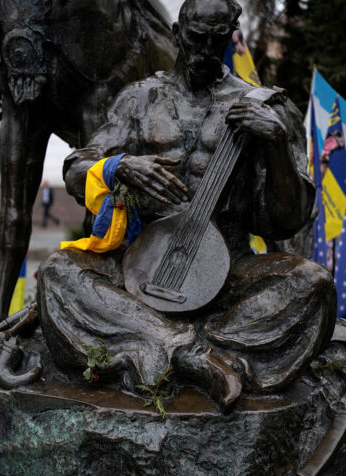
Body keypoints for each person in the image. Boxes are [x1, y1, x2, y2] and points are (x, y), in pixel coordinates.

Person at [39, 0, 334, 411]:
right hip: (139, 268)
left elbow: (288, 221)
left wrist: (278, 146)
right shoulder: (140, 99)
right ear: (177, 34)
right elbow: (76, 169)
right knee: (58, 271)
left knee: (312, 283)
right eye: (196, 39)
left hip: (229, 268)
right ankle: (192, 353)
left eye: (218, 41)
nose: (206, 52)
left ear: (231, 36)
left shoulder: (268, 108)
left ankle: (154, 342)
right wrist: (120, 166)